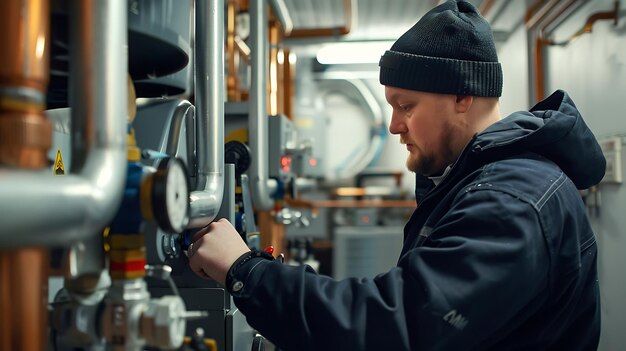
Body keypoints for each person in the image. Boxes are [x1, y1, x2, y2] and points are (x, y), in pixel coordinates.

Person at [188, 0, 605, 349]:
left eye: (406, 106)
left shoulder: (511, 202)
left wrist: (243, 270)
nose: (393, 125)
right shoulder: (484, 183)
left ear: (463, 94)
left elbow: (391, 326)